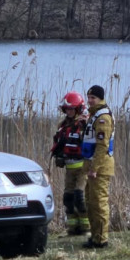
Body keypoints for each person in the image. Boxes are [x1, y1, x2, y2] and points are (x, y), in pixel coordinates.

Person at [49, 91, 90, 236]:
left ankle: (86, 229)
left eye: (72, 108)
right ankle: (72, 229)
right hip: (69, 168)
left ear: (79, 108)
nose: (69, 111)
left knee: (80, 198)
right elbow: (59, 143)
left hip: (82, 168)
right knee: (68, 199)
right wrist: (59, 156)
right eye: (67, 109)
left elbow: (91, 144)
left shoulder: (84, 124)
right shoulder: (63, 125)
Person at [82, 84, 115, 249]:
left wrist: (94, 168)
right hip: (91, 167)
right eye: (88, 97)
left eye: (93, 98)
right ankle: (95, 237)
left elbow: (102, 146)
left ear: (100, 98)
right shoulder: (94, 115)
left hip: (100, 168)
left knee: (99, 202)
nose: (90, 101)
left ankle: (101, 240)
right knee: (90, 201)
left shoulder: (103, 118)